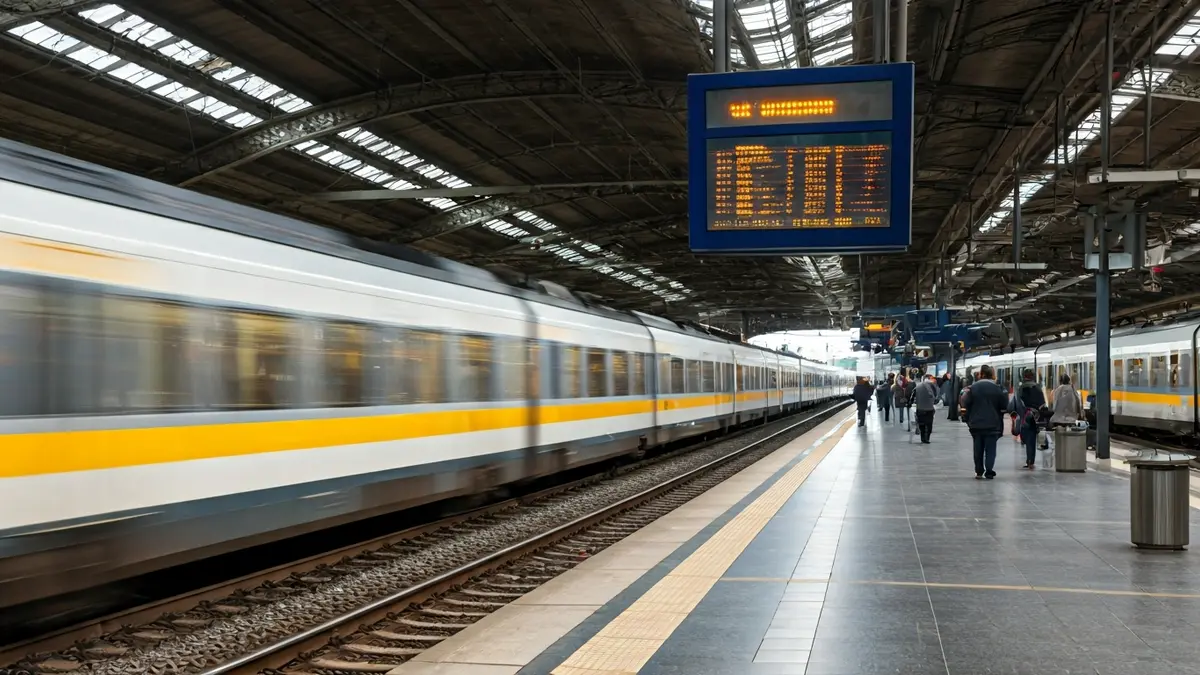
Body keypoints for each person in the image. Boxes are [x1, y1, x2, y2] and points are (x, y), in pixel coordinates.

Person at [962, 364, 1009, 479]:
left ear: (981, 374)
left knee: (978, 448)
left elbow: (965, 403)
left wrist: (968, 417)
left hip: (976, 424)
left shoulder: (973, 388)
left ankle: (978, 471)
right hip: (993, 423)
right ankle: (989, 470)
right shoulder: (998, 388)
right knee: (990, 449)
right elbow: (1004, 405)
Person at [1014, 368, 1046, 470]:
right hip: (1035, 416)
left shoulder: (1021, 388)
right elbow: (1042, 403)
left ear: (1024, 376)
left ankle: (1029, 460)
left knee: (1026, 437)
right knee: (1032, 438)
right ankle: (1031, 461)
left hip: (1024, 415)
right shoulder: (1037, 387)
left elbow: (1017, 402)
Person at [914, 374, 939, 443]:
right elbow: (935, 396)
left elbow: (913, 396)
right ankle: (927, 438)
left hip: (920, 408)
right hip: (929, 409)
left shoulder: (917, 386)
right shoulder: (932, 386)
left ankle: (923, 438)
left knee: (922, 424)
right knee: (929, 424)